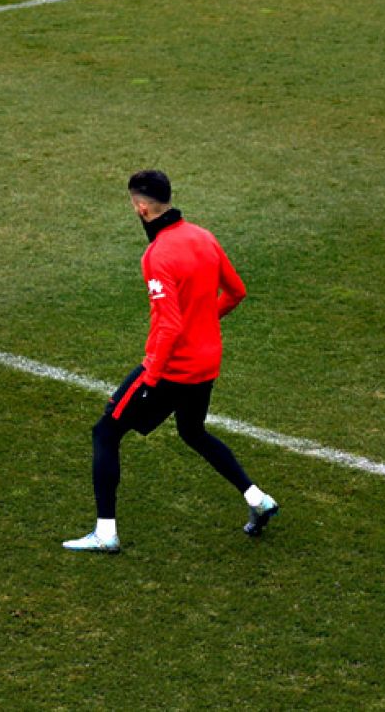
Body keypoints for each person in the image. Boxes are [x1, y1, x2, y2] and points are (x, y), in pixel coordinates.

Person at [64, 171, 278, 554]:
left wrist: (151, 377)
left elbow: (169, 324)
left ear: (142, 207)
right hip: (207, 363)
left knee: (106, 432)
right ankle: (257, 498)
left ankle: (106, 533)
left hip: (173, 368)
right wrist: (206, 322)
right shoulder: (203, 237)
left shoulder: (157, 254)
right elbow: (236, 292)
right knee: (193, 431)